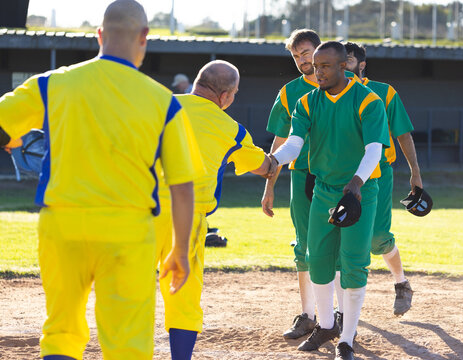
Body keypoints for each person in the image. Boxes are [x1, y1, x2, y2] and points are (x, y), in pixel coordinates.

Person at [0, 1, 203, 359]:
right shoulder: (164, 101)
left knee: (61, 331)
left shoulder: (53, 83)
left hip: (62, 225)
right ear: (145, 37)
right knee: (127, 343)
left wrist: (10, 139)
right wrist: (180, 249)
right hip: (128, 231)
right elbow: (182, 185)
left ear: (99, 35)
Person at [269, 41, 390, 360]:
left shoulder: (368, 100)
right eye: (316, 65)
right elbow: (295, 143)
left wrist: (355, 184)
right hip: (323, 189)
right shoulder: (307, 102)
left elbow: (374, 149)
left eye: (324, 66)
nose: (317, 71)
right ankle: (325, 325)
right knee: (318, 259)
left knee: (353, 263)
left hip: (361, 190)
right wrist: (273, 160)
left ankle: (346, 339)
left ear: (342, 67)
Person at [155, 60, 276, 360]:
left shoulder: (161, 104)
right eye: (233, 93)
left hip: (142, 210)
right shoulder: (230, 128)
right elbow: (262, 166)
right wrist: (274, 163)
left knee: (130, 289)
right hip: (188, 218)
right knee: (183, 298)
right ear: (224, 96)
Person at [262, 29, 359, 340]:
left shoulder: (353, 88)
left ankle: (343, 317)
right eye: (296, 56)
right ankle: (308, 315)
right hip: (303, 175)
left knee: (344, 250)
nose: (302, 61)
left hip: (342, 179)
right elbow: (281, 139)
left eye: (306, 53)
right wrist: (270, 184)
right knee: (305, 247)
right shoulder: (291, 93)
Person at [344, 41, 422, 316]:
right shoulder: (328, 92)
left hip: (379, 172)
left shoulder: (384, 92)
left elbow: (402, 134)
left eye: (349, 60)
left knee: (377, 237)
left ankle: (401, 283)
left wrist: (415, 172)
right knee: (341, 237)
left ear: (362, 65)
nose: (343, 65)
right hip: (341, 173)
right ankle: (340, 311)